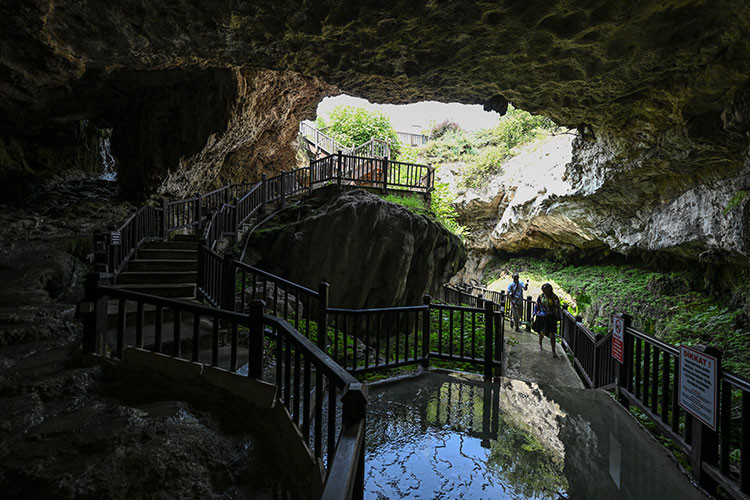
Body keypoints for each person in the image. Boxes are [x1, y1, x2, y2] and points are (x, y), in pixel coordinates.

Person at [532, 283, 562, 358]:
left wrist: (556, 308)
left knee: (552, 334)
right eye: (543, 288)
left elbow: (557, 306)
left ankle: (553, 351)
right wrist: (534, 314)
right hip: (542, 316)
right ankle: (540, 344)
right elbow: (537, 305)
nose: (544, 290)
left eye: (546, 288)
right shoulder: (541, 296)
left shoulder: (554, 297)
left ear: (550, 289)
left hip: (551, 317)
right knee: (542, 332)